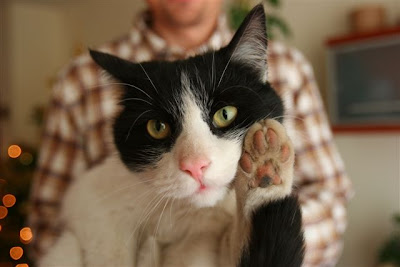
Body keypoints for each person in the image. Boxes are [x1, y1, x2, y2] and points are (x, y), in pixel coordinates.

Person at [29, 0, 353, 266]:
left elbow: (330, 197)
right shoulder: (80, 78)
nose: (195, 163)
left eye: (225, 115)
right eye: (158, 127)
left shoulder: (289, 66)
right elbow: (47, 219)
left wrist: (251, 232)